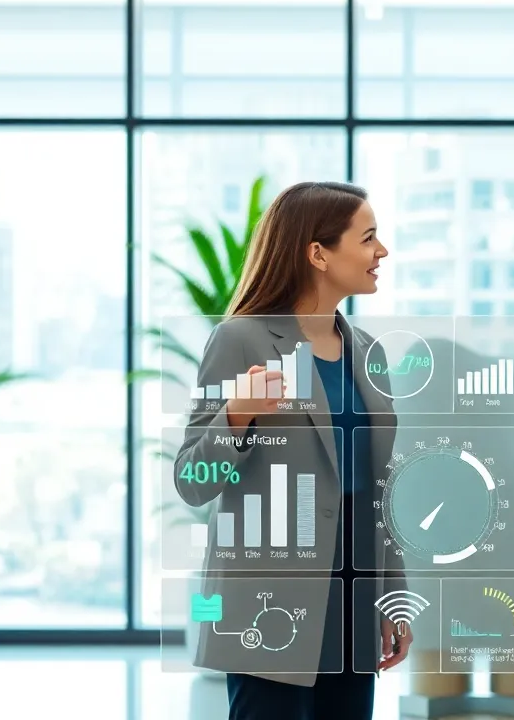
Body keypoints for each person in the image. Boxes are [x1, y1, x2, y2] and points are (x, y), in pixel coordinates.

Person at [173, 181, 411, 720]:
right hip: (271, 598)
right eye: (368, 238)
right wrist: (237, 414)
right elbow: (192, 480)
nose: (382, 252)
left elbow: (379, 489)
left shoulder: (367, 351)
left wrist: (392, 597)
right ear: (318, 253)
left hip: (353, 594)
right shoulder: (242, 339)